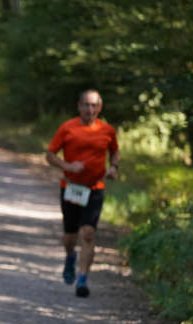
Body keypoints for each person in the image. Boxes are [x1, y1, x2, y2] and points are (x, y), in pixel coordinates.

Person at [46, 89, 120, 298]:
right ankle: (70, 256)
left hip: (95, 188)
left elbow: (115, 152)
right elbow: (50, 155)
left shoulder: (107, 130)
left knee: (88, 233)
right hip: (71, 188)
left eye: (94, 105)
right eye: (86, 105)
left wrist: (114, 168)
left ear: (100, 107)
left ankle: (82, 279)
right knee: (70, 237)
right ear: (79, 106)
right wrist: (68, 165)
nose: (90, 109)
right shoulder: (68, 128)